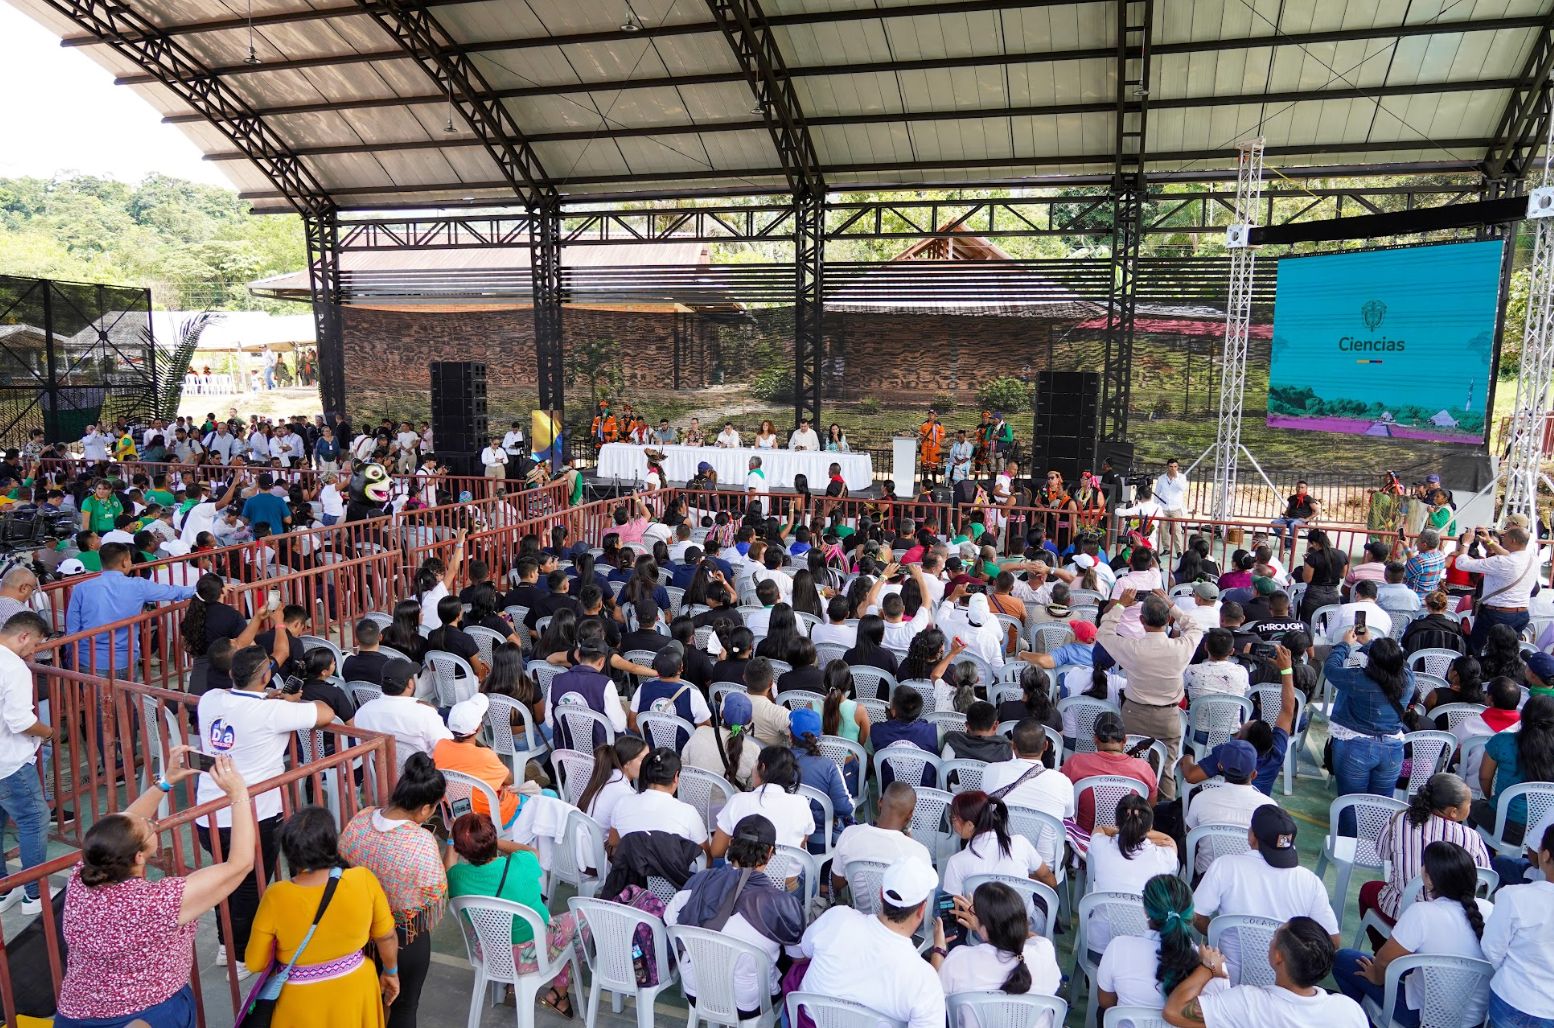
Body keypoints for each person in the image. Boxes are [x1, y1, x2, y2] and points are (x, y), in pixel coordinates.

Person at [53, 751, 252, 1027]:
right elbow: (240, 864)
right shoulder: (158, 901)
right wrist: (239, 794)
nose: (150, 822)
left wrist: (166, 782)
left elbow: (122, 825)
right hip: (148, 1013)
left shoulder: (83, 876)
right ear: (139, 857)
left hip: (77, 1013)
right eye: (149, 828)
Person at [196, 642, 335, 974]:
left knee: (222, 878)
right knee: (249, 886)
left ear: (231, 674)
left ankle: (225, 945)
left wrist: (270, 697)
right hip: (253, 816)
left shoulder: (210, 699)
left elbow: (244, 706)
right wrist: (289, 700)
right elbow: (325, 713)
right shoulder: (273, 712)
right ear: (266, 677)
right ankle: (244, 957)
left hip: (209, 811)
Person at [246, 807, 401, 1028]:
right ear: (331, 844)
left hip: (300, 1002)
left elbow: (255, 962)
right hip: (357, 989)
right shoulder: (362, 879)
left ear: (289, 852)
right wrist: (391, 972)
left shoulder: (276, 896)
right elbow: (386, 936)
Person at [337, 754, 449, 1028]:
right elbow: (434, 894)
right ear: (424, 809)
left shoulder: (361, 819)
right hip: (403, 937)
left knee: (366, 1005)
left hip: (356, 930)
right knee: (404, 1007)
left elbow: (341, 860)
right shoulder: (421, 842)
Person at [1334, 840, 1494, 1026]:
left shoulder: (1422, 913)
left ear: (1428, 879)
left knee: (1344, 960)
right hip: (1475, 1021)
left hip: (1423, 1017)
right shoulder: (1490, 909)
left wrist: (1376, 977)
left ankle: (1366, 1020)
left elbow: (1385, 960)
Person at [666, 813, 807, 1018]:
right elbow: (798, 958)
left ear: (731, 844)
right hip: (748, 1003)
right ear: (770, 852)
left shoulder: (700, 881)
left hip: (697, 991)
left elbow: (671, 922)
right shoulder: (783, 904)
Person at [796, 859, 947, 1028]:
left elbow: (805, 949)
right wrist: (938, 953)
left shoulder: (836, 917)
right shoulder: (924, 980)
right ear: (922, 909)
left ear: (881, 894)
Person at [1192, 806, 1340, 968]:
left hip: (1226, 976)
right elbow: (1332, 940)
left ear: (1252, 836)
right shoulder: (1311, 881)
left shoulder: (1225, 866)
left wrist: (1218, 936)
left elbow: (1196, 916)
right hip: (1285, 980)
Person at [1163, 916, 1365, 1028]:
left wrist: (1206, 968)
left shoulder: (1248, 1003)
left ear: (1278, 957)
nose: (1271, 939)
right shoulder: (1350, 1011)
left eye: (1275, 936)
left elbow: (1174, 1011)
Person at [1099, 590, 1202, 799]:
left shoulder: (1133, 648)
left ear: (1141, 620)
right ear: (1168, 619)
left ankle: (1127, 809)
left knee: (1129, 766)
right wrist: (1171, 605)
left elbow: (1103, 633)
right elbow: (1195, 627)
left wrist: (1120, 605)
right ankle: (1163, 819)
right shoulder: (1180, 647)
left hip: (1134, 714)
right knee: (1166, 771)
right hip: (1168, 717)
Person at [1097, 874, 1227, 1014]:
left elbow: (1106, 1002)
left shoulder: (1118, 948)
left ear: (1146, 911)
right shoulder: (1214, 968)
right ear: (1190, 915)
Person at [931, 880, 1063, 1015]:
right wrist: (986, 925)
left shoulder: (959, 959)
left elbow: (933, 995)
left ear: (984, 928)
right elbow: (1034, 938)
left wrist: (939, 948)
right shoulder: (1044, 951)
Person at [66, 542, 198, 674]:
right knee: (127, 694)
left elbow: (72, 629)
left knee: (93, 695)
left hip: (89, 660)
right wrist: (202, 589)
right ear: (124, 562)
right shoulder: (138, 585)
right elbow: (173, 592)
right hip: (124, 659)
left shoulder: (81, 588)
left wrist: (72, 660)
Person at [1324, 629, 1416, 807]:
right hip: (1393, 750)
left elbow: (1331, 669)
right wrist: (1370, 643)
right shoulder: (1408, 679)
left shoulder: (1358, 679)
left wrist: (1344, 645)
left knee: (1351, 805)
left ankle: (1349, 836)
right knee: (1380, 808)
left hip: (1355, 747)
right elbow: (1399, 663)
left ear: (1371, 662)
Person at [1480, 822, 1554, 1025]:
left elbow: (1492, 948)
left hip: (1512, 996)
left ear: (1545, 855)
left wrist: (1514, 972)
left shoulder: (1514, 896)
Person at [1182, 740, 1278, 875]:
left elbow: (1190, 832)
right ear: (1254, 774)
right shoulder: (1269, 806)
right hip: (1247, 879)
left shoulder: (1201, 799)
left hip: (1206, 875)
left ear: (1220, 767)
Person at [830, 781, 934, 898]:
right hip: (900, 915)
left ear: (880, 802)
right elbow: (923, 897)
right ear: (910, 815)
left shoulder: (849, 835)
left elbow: (837, 884)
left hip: (860, 914)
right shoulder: (919, 852)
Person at [1061, 710, 1159, 833]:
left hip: (1083, 842)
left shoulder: (1074, 763)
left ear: (1095, 739)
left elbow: (1061, 799)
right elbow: (1150, 805)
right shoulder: (1144, 768)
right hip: (1127, 841)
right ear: (1125, 740)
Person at [1476, 694, 1554, 846]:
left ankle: (1484, 854)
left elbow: (1484, 777)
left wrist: (1492, 799)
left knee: (1470, 807)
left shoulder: (1502, 741)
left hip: (1505, 825)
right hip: (1544, 832)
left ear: (1523, 716)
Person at [609, 747, 709, 854]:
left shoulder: (622, 803)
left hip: (632, 869)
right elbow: (706, 858)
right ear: (676, 776)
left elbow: (614, 842)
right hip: (674, 871)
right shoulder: (688, 812)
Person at [1457, 525, 1539, 653]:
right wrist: (1489, 541)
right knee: (1507, 655)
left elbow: (1461, 564)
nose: (1502, 538)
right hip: (1521, 614)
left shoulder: (1500, 562)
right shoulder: (1533, 558)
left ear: (1513, 541)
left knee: (1477, 652)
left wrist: (1466, 543)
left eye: (1504, 536)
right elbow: (1511, 556)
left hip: (1496, 615)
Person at [352, 658, 453, 760]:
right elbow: (447, 749)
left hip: (381, 774)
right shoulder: (425, 713)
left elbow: (362, 750)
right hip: (421, 774)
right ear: (410, 683)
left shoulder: (363, 712)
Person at [982, 719, 1074, 821]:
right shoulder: (1062, 781)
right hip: (1045, 837)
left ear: (1013, 746)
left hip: (1001, 835)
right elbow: (1067, 814)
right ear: (1046, 745)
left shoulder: (991, 770)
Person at [575, 737, 648, 839]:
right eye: (643, 760)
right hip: (598, 849)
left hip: (582, 842)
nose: (648, 764)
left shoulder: (606, 776)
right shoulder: (624, 792)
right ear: (627, 763)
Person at [683, 690, 759, 787]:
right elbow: (752, 786)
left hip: (692, 799)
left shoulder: (700, 733)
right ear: (749, 721)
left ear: (721, 714)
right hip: (731, 802)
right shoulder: (754, 750)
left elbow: (684, 765)